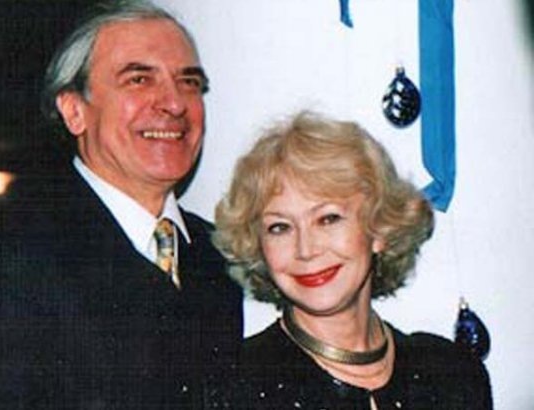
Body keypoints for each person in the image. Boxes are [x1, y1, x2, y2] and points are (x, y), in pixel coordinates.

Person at [0, 1, 242, 408]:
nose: (174, 103)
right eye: (138, 80)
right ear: (74, 111)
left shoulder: (217, 255)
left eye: (189, 82)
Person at [211, 111, 492, 409]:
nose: (305, 250)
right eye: (280, 227)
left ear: (378, 228)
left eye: (328, 218)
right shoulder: (234, 387)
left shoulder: (453, 374)